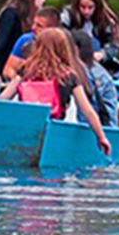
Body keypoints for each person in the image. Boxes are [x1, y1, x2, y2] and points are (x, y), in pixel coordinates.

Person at [10, 26, 109, 156]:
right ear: (64, 49)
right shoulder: (69, 76)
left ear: (38, 47)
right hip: (57, 131)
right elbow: (88, 111)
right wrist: (101, 137)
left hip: (28, 129)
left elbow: (4, 98)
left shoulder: (26, 71)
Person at [61, 0, 119, 71]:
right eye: (82, 7)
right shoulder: (68, 15)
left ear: (97, 6)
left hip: (98, 62)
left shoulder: (107, 20)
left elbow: (114, 44)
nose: (86, 11)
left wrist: (103, 54)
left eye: (90, 7)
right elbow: (60, 32)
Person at [0, 0, 44, 83]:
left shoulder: (30, 17)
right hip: (4, 67)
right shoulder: (11, 15)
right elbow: (1, 44)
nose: (43, 0)